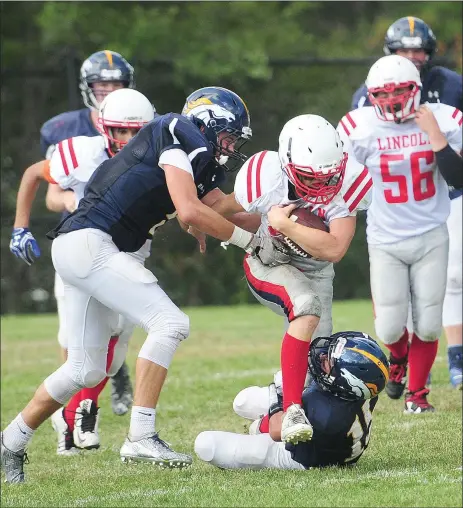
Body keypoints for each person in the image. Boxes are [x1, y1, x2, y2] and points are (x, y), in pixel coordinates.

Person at [1, 86, 289, 483]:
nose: (229, 146)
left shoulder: (196, 157)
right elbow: (190, 210)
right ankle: (140, 434)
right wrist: (249, 243)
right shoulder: (177, 129)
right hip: (91, 244)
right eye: (227, 136)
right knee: (170, 323)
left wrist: (273, 221)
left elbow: (220, 207)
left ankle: (10, 441)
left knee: (84, 369)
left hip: (83, 248)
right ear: (205, 124)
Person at [9, 88, 155, 455]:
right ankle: (77, 415)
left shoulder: (161, 156)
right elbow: (34, 175)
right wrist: (20, 227)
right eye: (121, 131)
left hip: (130, 252)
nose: (129, 140)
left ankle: (72, 415)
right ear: (106, 129)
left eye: (137, 132)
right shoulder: (82, 152)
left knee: (114, 354)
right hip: (86, 255)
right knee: (83, 349)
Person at [211, 114, 373, 445]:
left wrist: (285, 225)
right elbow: (226, 207)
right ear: (286, 165)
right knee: (305, 307)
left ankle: (266, 412)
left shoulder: (352, 181)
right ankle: (291, 408)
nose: (324, 188)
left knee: (318, 368)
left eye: (331, 178)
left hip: (316, 268)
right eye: (312, 179)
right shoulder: (263, 176)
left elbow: (335, 248)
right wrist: (197, 219)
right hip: (266, 258)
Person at [338, 55, 462, 413]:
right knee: (390, 327)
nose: (391, 100)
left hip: (431, 234)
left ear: (417, 90)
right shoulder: (356, 127)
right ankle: (398, 361)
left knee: (428, 323)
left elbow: (460, 179)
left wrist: (435, 137)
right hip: (385, 239)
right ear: (371, 95)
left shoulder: (445, 119)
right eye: (383, 94)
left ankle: (418, 396)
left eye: (400, 92)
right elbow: (341, 180)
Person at [42, 50, 138, 415]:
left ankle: (114, 377)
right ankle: (72, 407)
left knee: (118, 328)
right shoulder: (65, 133)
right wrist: (71, 201)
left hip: (124, 240)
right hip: (77, 239)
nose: (109, 91)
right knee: (72, 332)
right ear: (88, 88)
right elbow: (48, 189)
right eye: (102, 84)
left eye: (116, 84)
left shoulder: (143, 123)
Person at [195, 331, 389, 470]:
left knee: (207, 445)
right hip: (340, 434)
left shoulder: (325, 413)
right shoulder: (364, 382)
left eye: (327, 363)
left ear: (344, 382)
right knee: (243, 401)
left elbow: (276, 430)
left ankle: (254, 433)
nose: (321, 356)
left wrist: (278, 397)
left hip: (308, 457)